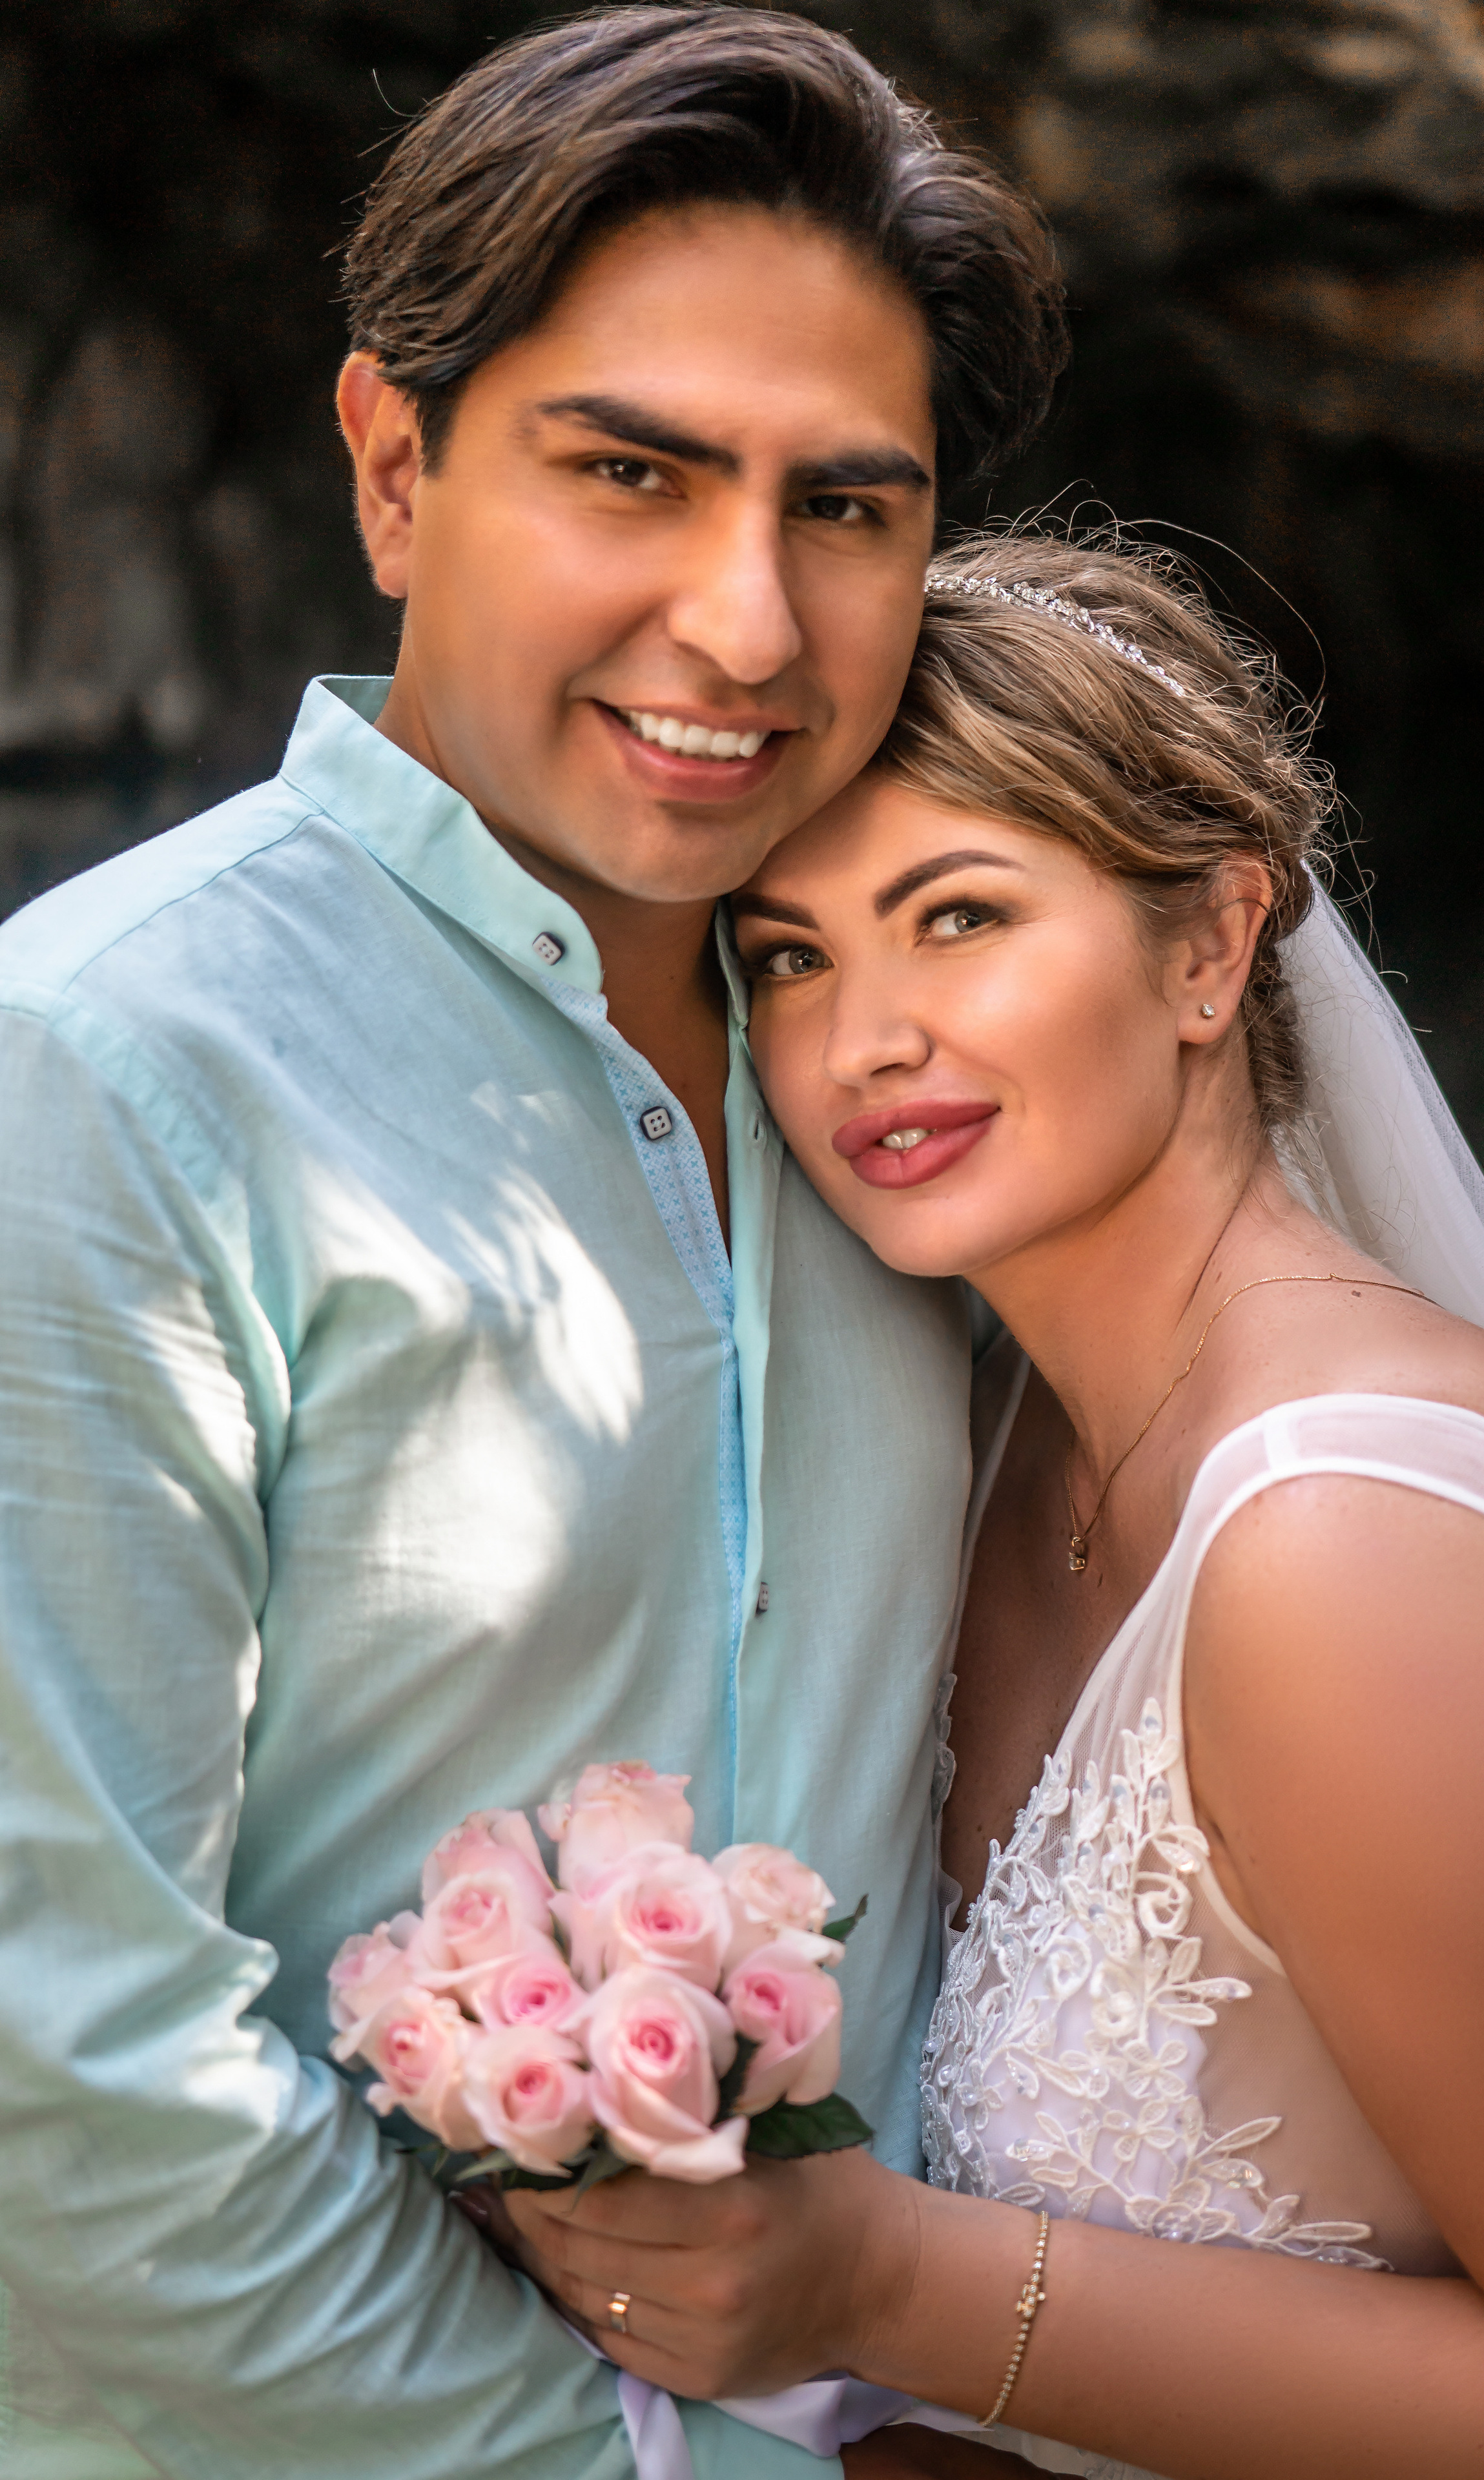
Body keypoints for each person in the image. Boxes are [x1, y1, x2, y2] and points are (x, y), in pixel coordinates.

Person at [0, 19, 1066, 2477]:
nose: (747, 627)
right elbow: (70, 2058)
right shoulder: (108, 1070)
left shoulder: (920, 1093)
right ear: (397, 467)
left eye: (847, 508)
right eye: (630, 471)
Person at [506, 535, 1484, 2480]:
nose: (863, 1039)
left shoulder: (1348, 1549)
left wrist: (873, 2290)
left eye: (957, 918)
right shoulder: (1001, 1447)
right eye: (791, 958)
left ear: (1210, 946)